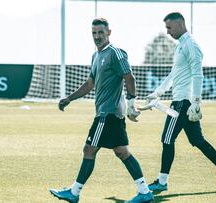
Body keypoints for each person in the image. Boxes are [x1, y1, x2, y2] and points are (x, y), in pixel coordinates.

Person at [49, 18, 153, 203]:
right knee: (122, 152)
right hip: (109, 114)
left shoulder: (115, 53)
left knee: (89, 149)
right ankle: (144, 192)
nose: (97, 36)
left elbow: (129, 77)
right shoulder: (95, 56)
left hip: (108, 114)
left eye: (100, 33)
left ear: (109, 33)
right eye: (94, 33)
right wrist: (69, 98)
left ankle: (74, 192)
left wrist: (131, 103)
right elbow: (90, 83)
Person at [146, 12, 216, 193]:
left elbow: (198, 74)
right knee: (197, 140)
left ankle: (162, 182)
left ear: (180, 24)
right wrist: (157, 92)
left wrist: (196, 102)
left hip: (183, 103)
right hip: (182, 102)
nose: (168, 32)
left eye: (169, 27)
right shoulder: (181, 45)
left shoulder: (192, 45)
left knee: (167, 139)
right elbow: (174, 74)